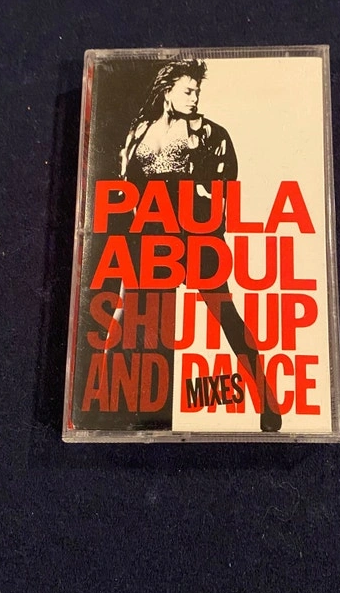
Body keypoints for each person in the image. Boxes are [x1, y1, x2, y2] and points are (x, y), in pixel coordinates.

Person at [119, 59, 282, 432]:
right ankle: (151, 417)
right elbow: (126, 190)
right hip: (153, 240)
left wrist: (205, 232)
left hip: (197, 238)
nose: (194, 98)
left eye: (197, 91)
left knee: (227, 317)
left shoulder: (211, 134)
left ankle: (267, 400)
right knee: (150, 328)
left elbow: (224, 192)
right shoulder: (139, 131)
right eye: (188, 91)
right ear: (167, 90)